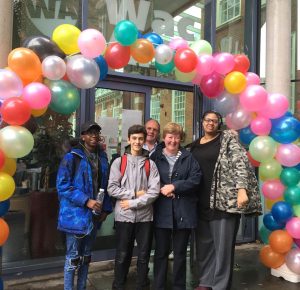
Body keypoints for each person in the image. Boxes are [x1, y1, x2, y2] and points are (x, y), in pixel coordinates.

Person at [188, 110, 262, 290]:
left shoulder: (227, 139)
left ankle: (220, 285)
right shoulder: (195, 145)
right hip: (201, 202)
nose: (210, 123)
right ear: (202, 122)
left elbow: (241, 164)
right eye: (207, 120)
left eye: (214, 121)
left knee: (222, 250)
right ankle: (206, 282)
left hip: (224, 203)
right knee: (204, 246)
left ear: (219, 124)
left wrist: (242, 190)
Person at [56, 121, 112, 290]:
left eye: (96, 132)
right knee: (73, 258)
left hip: (94, 215)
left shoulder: (102, 157)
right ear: (83, 136)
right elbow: (62, 185)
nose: (94, 135)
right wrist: (86, 201)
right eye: (90, 132)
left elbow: (106, 183)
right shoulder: (72, 157)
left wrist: (107, 209)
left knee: (86, 257)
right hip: (75, 215)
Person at [108, 124, 160, 290]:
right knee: (123, 254)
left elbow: (154, 192)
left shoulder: (150, 165)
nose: (137, 142)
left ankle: (142, 284)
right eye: (134, 138)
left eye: (140, 139)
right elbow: (112, 188)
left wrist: (132, 202)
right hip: (124, 216)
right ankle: (118, 285)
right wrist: (134, 193)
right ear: (129, 139)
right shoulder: (119, 162)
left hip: (145, 217)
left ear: (144, 141)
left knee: (144, 255)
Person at [151, 122, 202, 290]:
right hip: (161, 211)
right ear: (164, 138)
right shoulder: (155, 158)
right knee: (160, 253)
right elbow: (148, 181)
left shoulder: (189, 157)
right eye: (170, 137)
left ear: (181, 139)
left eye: (177, 137)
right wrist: (162, 190)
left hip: (183, 211)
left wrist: (175, 187)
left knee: (180, 254)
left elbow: (196, 180)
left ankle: (179, 286)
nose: (173, 140)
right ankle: (159, 286)